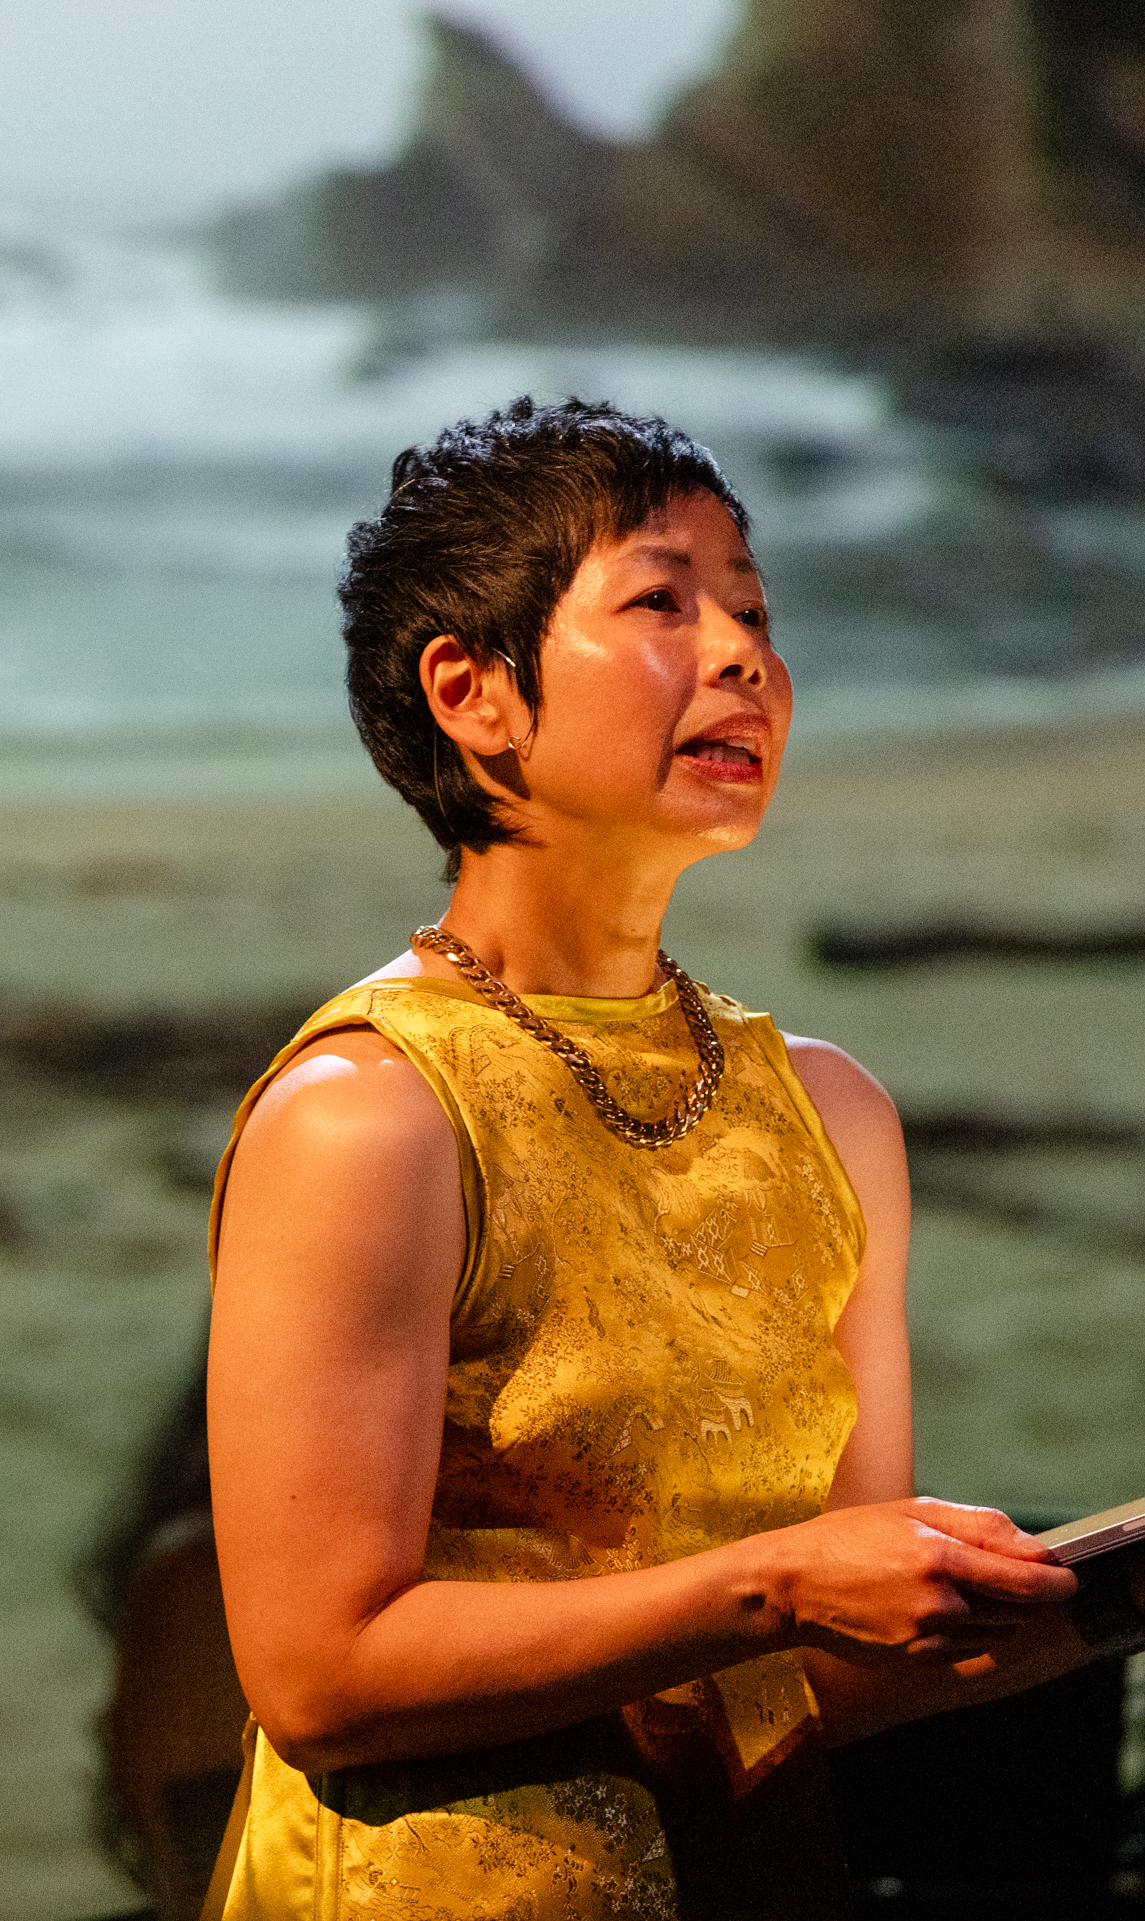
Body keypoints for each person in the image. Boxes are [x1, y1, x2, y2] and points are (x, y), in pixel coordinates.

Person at [204, 397, 1144, 1919]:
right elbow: (321, 1673)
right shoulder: (371, 1114)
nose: (741, 657)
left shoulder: (829, 1115)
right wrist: (769, 1585)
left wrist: (1094, 1603)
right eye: (662, 602)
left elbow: (839, 1667)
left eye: (755, 613)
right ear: (472, 693)